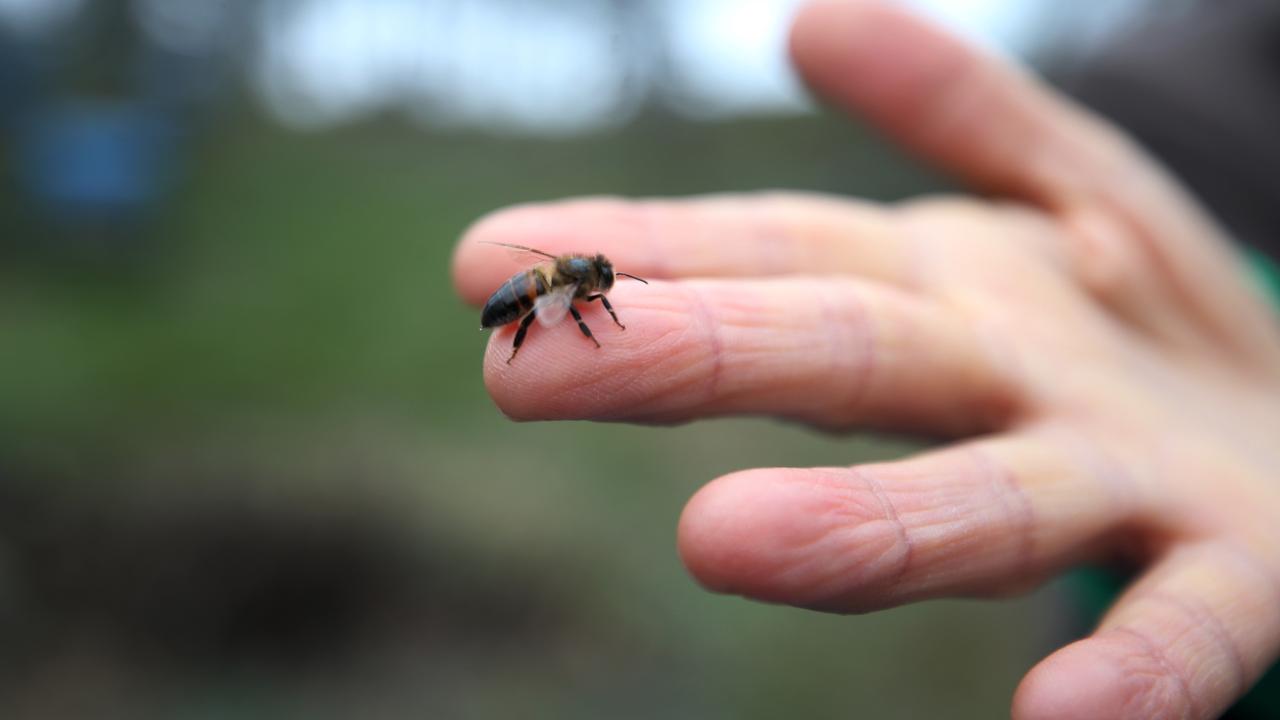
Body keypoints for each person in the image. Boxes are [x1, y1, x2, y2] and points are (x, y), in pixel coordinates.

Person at [451, 2, 1280, 718]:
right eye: (599, 284)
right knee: (543, 329)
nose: (600, 287)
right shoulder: (1189, 87)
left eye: (599, 285)